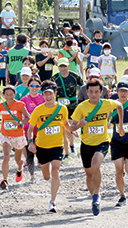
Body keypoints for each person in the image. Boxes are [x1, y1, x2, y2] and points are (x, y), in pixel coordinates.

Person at [70, 79, 125, 216]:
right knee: (89, 174)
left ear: (101, 93)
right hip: (86, 144)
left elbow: (119, 106)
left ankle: (96, 196)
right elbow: (71, 126)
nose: (93, 94)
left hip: (103, 142)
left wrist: (120, 125)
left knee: (95, 166)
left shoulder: (107, 104)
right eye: (91, 92)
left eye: (96, 92)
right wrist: (77, 127)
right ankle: (95, 196)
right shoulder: (82, 107)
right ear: (86, 92)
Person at [28, 80, 76, 212]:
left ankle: (52, 201)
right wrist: (30, 142)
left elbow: (65, 123)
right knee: (46, 176)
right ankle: (44, 169)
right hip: (42, 146)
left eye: (50, 94)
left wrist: (72, 130)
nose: (48, 97)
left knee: (55, 171)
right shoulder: (38, 110)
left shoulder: (62, 109)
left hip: (57, 145)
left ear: (55, 94)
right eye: (45, 94)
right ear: (42, 95)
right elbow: (31, 128)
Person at [0, 85, 30, 190]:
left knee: (17, 159)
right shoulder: (1, 105)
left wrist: (19, 122)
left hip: (18, 135)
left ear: (14, 94)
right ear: (3, 95)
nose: (9, 97)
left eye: (11, 94)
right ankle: (5, 180)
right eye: (7, 94)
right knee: (6, 156)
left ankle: (20, 167)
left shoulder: (20, 105)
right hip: (6, 135)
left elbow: (28, 117)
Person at [51, 58, 83, 159]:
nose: (63, 68)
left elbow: (83, 87)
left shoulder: (75, 76)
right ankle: (71, 148)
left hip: (73, 105)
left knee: (70, 126)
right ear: (58, 67)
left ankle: (73, 145)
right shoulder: (54, 78)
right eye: (61, 66)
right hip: (60, 106)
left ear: (68, 66)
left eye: (65, 66)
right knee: (65, 127)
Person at [21, 77, 45, 183]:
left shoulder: (44, 98)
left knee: (41, 150)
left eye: (37, 86)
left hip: (41, 129)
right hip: (28, 129)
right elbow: (20, 116)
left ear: (40, 87)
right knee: (29, 152)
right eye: (32, 86)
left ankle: (41, 163)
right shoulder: (24, 100)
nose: (34, 88)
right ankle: (32, 176)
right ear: (28, 86)